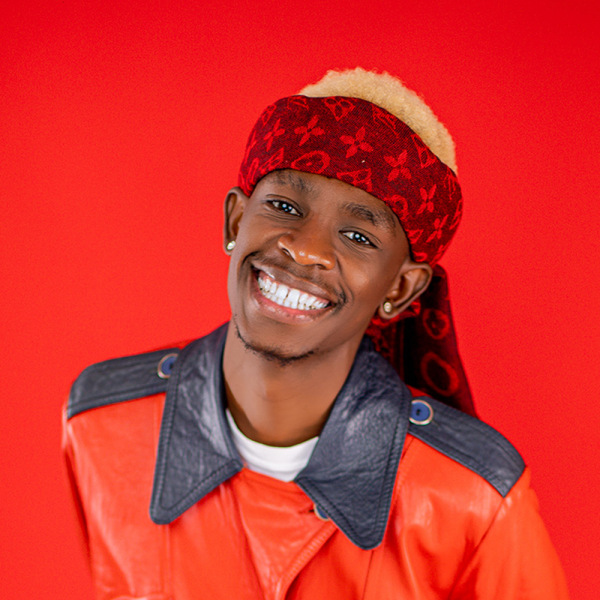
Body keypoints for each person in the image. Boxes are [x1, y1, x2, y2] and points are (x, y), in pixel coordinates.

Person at [63, 68, 569, 599]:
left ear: (400, 288)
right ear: (236, 221)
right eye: (284, 207)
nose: (305, 249)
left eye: (358, 236)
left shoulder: (476, 500)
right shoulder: (100, 421)